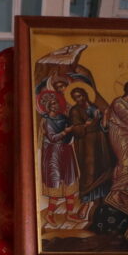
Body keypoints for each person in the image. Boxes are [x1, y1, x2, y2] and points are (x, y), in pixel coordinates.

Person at [67, 88, 114, 220]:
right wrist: (85, 125)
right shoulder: (75, 111)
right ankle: (86, 204)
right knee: (89, 173)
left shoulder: (95, 107)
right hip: (87, 144)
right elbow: (76, 130)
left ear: (85, 95)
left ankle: (103, 202)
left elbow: (104, 127)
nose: (79, 99)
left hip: (100, 142)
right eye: (76, 97)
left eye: (80, 96)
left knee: (103, 169)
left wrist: (105, 116)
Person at [37, 91, 80, 229]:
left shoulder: (63, 117)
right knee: (55, 183)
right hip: (53, 153)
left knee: (69, 181)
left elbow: (70, 132)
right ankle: (49, 214)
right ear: (48, 107)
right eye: (53, 104)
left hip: (65, 151)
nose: (56, 106)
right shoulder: (47, 121)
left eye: (56, 103)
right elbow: (52, 137)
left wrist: (72, 130)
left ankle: (70, 213)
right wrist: (65, 132)